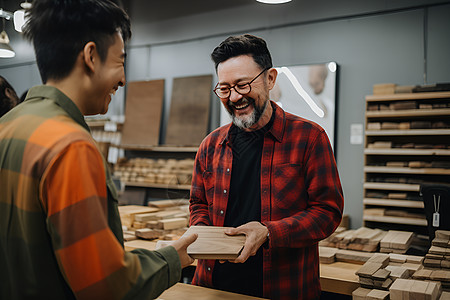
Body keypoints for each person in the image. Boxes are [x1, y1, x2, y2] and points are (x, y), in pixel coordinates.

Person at [0, 1, 196, 299]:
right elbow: (106, 286)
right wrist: (172, 258)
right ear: (91, 56)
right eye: (120, 61)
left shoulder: (7, 125)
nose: (123, 79)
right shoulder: (70, 145)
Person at [189, 34, 344, 300]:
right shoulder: (210, 145)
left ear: (270, 79)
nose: (235, 97)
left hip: (282, 288)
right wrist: (205, 238)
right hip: (213, 287)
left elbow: (327, 212)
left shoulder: (309, 138)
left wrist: (269, 232)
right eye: (224, 89)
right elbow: (198, 203)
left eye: (243, 85)